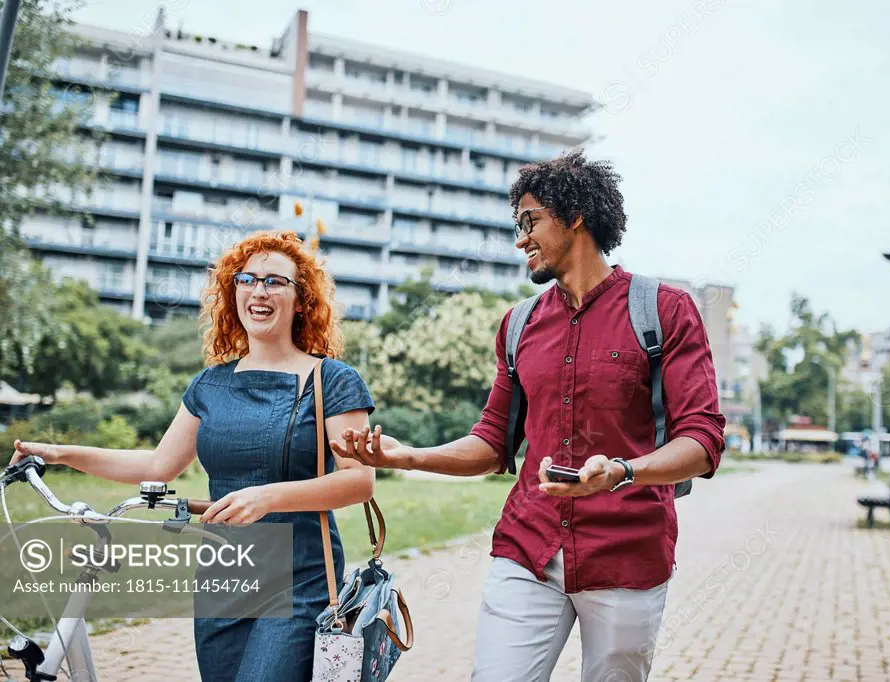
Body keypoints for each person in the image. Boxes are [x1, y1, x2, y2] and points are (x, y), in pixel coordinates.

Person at [339, 150, 727, 682]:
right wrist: (406, 455)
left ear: (575, 216)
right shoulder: (518, 326)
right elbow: (493, 441)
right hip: (528, 547)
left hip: (627, 556)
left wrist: (619, 472)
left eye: (530, 221)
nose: (520, 238)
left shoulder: (663, 310)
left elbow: (703, 442)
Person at [10, 230, 376, 681]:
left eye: (275, 282)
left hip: (299, 576)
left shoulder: (332, 380)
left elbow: (359, 482)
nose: (258, 291)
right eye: (247, 280)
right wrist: (60, 452)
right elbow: (156, 466)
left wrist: (265, 497)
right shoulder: (209, 385)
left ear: (301, 301)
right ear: (233, 292)